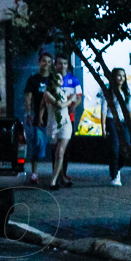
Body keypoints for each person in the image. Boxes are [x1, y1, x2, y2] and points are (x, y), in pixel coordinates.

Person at [43, 63, 75, 190]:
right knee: (56, 154)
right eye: (59, 78)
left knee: (60, 152)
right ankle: (61, 177)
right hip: (53, 124)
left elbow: (70, 103)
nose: (62, 80)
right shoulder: (47, 94)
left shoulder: (64, 92)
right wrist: (70, 100)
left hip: (65, 124)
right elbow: (60, 105)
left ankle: (54, 180)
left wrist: (72, 100)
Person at [23, 51, 52, 185]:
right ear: (39, 62)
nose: (46, 64)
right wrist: (28, 113)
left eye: (49, 61)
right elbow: (28, 98)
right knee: (37, 143)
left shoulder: (54, 79)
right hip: (37, 117)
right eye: (44, 61)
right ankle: (34, 173)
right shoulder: (33, 79)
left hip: (52, 116)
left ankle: (57, 173)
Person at [102, 67, 131, 187]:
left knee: (126, 148)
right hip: (112, 121)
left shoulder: (126, 92)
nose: (121, 78)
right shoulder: (109, 91)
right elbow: (104, 110)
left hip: (123, 122)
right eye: (119, 75)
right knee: (115, 149)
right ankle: (114, 175)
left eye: (123, 76)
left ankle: (117, 169)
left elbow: (129, 109)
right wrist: (103, 127)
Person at [56, 54, 82, 186]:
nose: (62, 66)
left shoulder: (74, 80)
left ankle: (62, 173)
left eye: (64, 63)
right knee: (56, 148)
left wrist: (74, 106)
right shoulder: (53, 79)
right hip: (55, 118)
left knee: (66, 148)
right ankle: (57, 175)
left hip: (69, 118)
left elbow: (78, 98)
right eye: (60, 63)